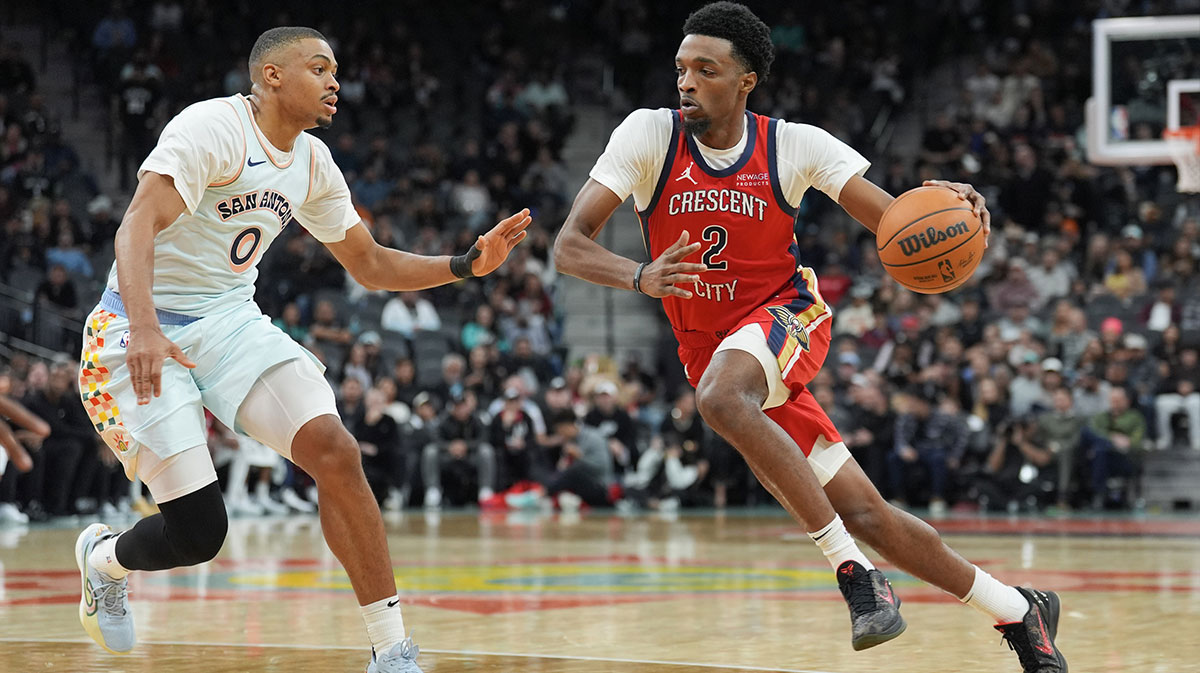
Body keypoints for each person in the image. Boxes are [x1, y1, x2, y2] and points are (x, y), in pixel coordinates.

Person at [552, 4, 1065, 671]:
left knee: (720, 398)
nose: (686, 82)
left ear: (747, 80)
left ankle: (854, 574)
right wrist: (641, 275)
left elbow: (896, 223)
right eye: (681, 68)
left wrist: (941, 209)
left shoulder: (793, 145)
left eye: (706, 70)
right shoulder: (649, 135)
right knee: (868, 512)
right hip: (713, 351)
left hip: (788, 316)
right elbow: (568, 245)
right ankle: (1020, 610)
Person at [72, 26, 530, 673]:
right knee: (198, 532)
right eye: (319, 67)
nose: (334, 81)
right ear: (271, 77)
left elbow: (368, 263)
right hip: (134, 325)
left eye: (336, 70)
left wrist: (463, 263)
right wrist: (146, 326)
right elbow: (136, 221)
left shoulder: (313, 162)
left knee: (335, 448)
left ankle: (391, 649)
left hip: (229, 321)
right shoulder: (213, 128)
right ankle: (103, 559)